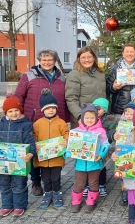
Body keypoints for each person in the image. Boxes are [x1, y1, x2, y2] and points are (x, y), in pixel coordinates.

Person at [14, 48, 69, 196]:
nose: (47, 62)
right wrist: (16, 115)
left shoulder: (62, 78)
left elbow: (65, 100)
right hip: (33, 121)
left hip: (55, 121)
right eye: (44, 59)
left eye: (50, 59)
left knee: (53, 152)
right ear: (39, 60)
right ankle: (36, 182)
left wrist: (65, 119)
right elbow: (18, 96)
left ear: (55, 61)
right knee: (35, 151)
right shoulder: (29, 76)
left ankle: (53, 183)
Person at [69, 104, 110, 213]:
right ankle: (76, 201)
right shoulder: (77, 131)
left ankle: (91, 201)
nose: (89, 120)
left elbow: (105, 144)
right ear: (82, 118)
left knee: (93, 183)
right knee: (79, 183)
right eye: (87, 117)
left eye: (92, 117)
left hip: (95, 164)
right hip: (80, 164)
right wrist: (67, 152)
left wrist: (100, 155)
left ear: (97, 118)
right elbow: (71, 145)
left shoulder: (100, 131)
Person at [0, 95, 36, 216]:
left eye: (16, 110)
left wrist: (30, 153)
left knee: (19, 183)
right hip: (3, 161)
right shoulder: (1, 124)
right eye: (10, 111)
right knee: (4, 183)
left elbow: (30, 140)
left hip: (20, 160)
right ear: (5, 112)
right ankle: (7, 205)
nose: (14, 113)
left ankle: (19, 205)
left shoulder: (26, 125)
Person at [33, 89, 69, 209]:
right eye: (48, 108)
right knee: (46, 178)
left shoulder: (61, 122)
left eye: (53, 107)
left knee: (56, 177)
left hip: (56, 157)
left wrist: (66, 141)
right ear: (43, 109)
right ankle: (47, 193)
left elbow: (67, 133)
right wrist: (35, 144)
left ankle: (57, 193)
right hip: (43, 158)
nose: (51, 110)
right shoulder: (37, 123)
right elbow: (33, 136)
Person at [65, 46, 106, 129]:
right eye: (83, 57)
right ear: (79, 59)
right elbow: (71, 99)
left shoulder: (100, 73)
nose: (87, 60)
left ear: (94, 58)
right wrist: (80, 116)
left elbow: (104, 95)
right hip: (82, 120)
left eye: (89, 57)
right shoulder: (74, 75)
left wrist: (105, 109)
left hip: (99, 118)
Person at [106, 43, 135, 117]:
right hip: (120, 110)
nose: (129, 54)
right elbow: (107, 88)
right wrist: (114, 87)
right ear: (123, 53)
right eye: (127, 51)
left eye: (132, 52)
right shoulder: (115, 68)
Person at [87, 98, 118, 197]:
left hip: (102, 147)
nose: (96, 110)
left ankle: (101, 184)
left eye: (99, 109)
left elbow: (111, 133)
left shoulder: (109, 121)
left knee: (102, 167)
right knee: (88, 166)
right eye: (95, 108)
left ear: (104, 110)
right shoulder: (89, 118)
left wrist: (111, 137)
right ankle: (87, 184)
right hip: (90, 147)